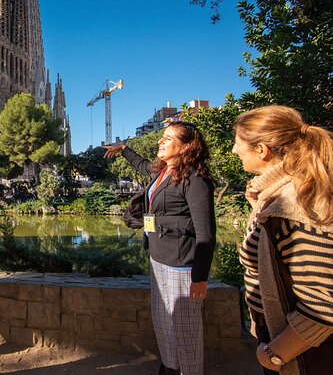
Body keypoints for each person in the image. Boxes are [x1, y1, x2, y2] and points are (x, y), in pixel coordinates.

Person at [104, 121, 216, 375]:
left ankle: (189, 370)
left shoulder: (196, 180)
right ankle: (169, 366)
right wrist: (124, 149)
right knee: (163, 322)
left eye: (167, 138)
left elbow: (206, 234)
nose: (160, 142)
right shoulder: (163, 171)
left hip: (182, 265)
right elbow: (142, 166)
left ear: (186, 146)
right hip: (159, 259)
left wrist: (200, 278)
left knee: (185, 330)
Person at [233, 106, 333, 374]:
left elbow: (323, 306)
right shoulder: (275, 196)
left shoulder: (294, 206)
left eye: (237, 143)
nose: (233, 150)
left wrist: (274, 355)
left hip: (302, 354)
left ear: (261, 149)